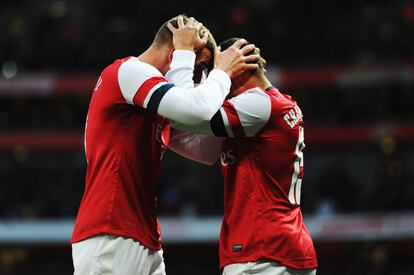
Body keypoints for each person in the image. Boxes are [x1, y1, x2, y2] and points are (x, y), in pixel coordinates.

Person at [71, 15, 260, 275]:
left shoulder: (151, 104)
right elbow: (197, 109)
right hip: (110, 231)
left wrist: (222, 85)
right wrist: (222, 72)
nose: (196, 81)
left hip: (140, 232)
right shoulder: (129, 72)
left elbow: (207, 151)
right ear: (175, 55)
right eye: (198, 69)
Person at [168, 38, 318, 275]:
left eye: (219, 69)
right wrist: (160, 132)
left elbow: (190, 113)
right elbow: (205, 150)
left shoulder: (258, 104)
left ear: (235, 71)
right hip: (285, 250)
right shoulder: (274, 105)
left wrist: (184, 60)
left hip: (260, 254)